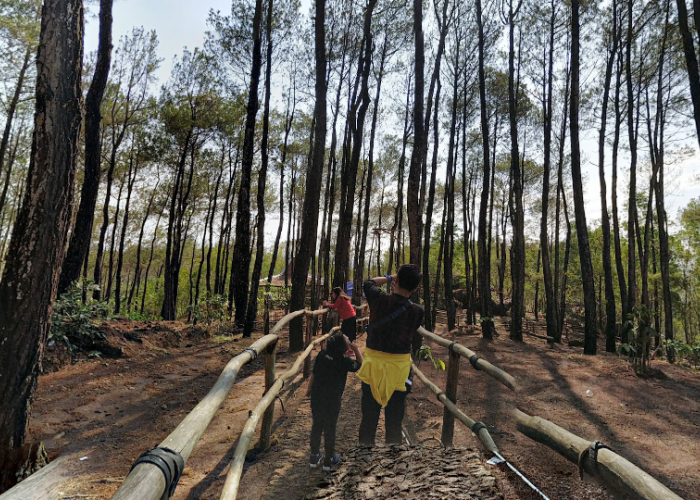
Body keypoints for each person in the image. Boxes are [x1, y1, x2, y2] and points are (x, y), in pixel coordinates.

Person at [356, 264, 423, 445]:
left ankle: (364, 454)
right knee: (394, 422)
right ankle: (393, 457)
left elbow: (368, 283)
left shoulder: (379, 299)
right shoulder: (417, 311)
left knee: (369, 419)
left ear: (397, 280)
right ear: (416, 288)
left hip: (373, 369)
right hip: (400, 372)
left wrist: (389, 277)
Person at [308, 334, 364, 471]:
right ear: (343, 348)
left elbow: (314, 373)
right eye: (347, 339)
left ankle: (314, 456)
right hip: (332, 400)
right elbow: (360, 363)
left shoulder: (322, 355)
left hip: (317, 397)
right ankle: (329, 460)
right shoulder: (344, 361)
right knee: (330, 428)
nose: (348, 339)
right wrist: (356, 349)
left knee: (317, 425)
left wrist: (309, 389)